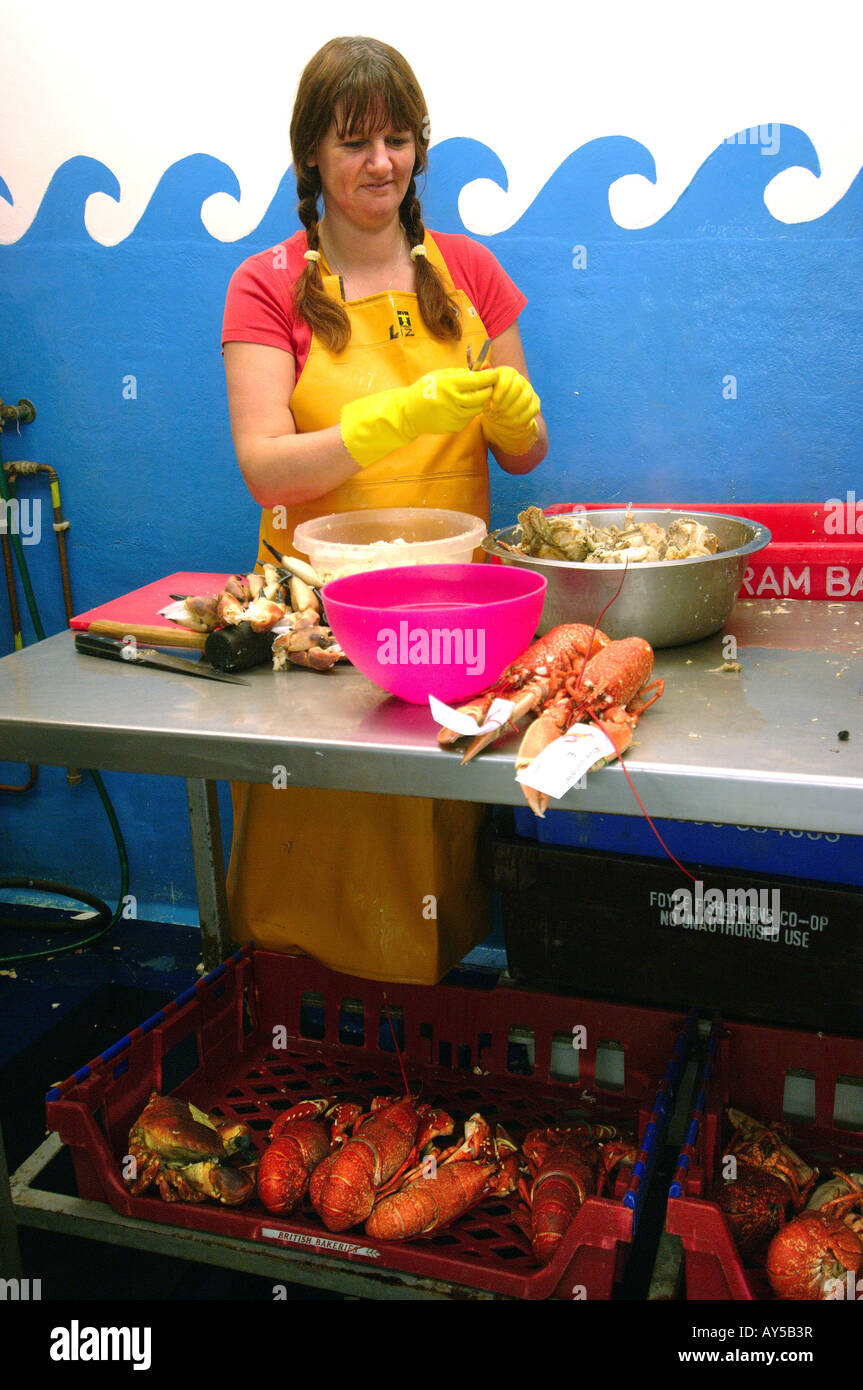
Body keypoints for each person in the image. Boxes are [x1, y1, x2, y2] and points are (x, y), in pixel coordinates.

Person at [221, 35, 547, 983]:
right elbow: (265, 471)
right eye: (354, 140)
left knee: (424, 856)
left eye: (397, 139)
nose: (380, 162)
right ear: (311, 155)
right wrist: (388, 419)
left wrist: (520, 419)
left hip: (449, 624)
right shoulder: (267, 283)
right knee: (315, 838)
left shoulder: (471, 275)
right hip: (316, 621)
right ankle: (290, 1024)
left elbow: (522, 454)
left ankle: (423, 1048)